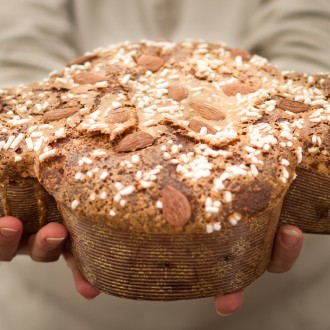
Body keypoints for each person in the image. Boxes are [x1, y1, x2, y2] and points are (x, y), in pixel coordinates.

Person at [0, 1, 329, 329]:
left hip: (283, 304)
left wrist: (270, 122)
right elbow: (18, 33)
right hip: (58, 308)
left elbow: (310, 24)